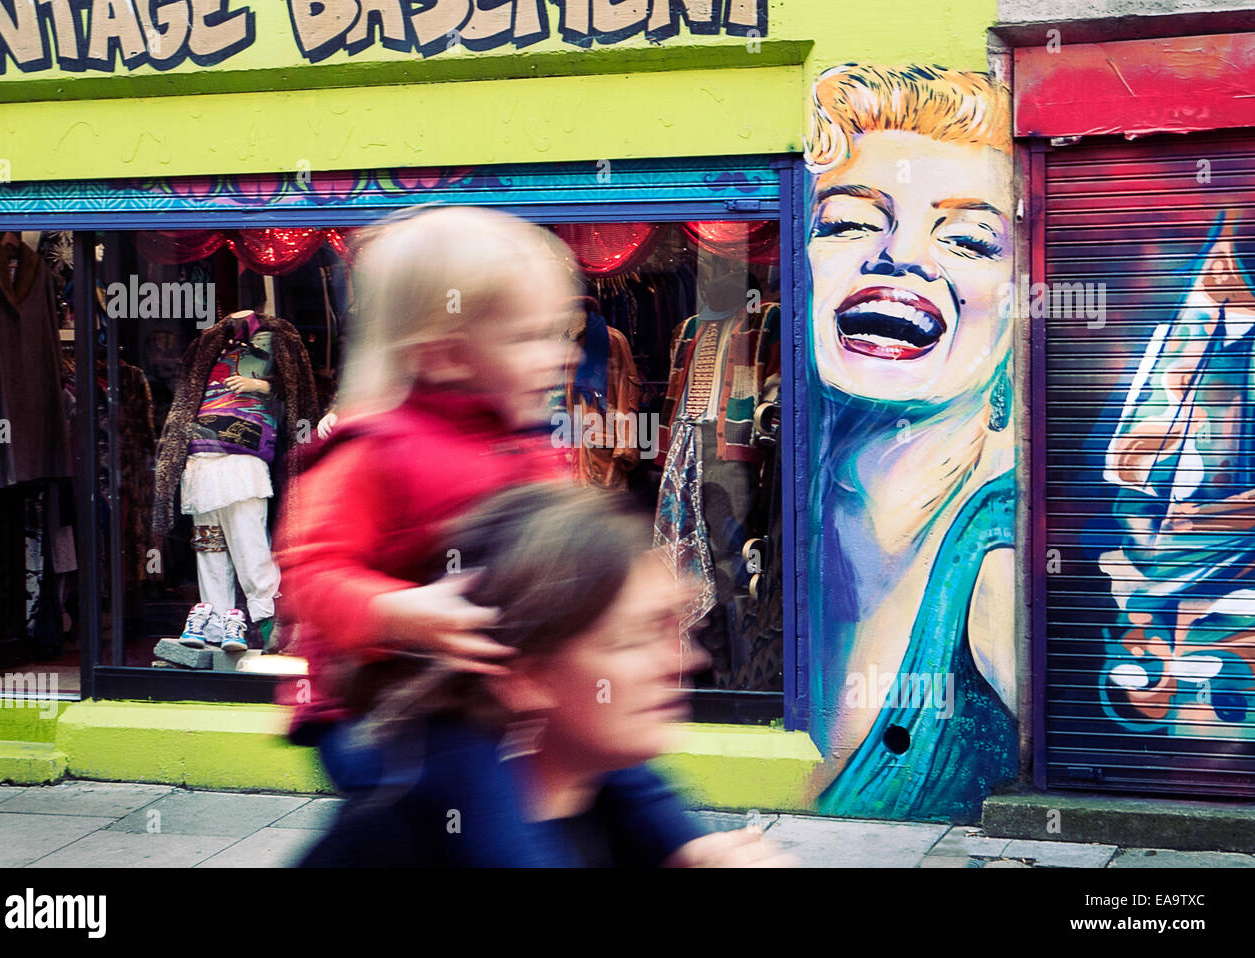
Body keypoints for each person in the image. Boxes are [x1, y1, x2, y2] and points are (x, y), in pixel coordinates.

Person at [275, 206, 772, 864]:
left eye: (560, 333)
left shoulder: (527, 446)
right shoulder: (374, 449)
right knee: (481, 794)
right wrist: (396, 613)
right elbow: (309, 573)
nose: (565, 355)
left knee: (621, 762)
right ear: (446, 356)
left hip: (483, 680)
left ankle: (686, 847)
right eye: (530, 338)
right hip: (384, 702)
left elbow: (563, 547)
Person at [299, 484, 794, 866]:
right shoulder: (399, 840)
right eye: (631, 638)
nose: (682, 662)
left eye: (675, 628)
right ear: (524, 677)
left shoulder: (629, 821)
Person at [803, 65, 1018, 819]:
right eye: (848, 223)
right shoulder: (798, 501)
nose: (902, 257)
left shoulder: (1000, 566)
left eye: (968, 239)